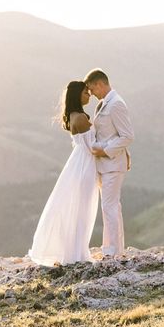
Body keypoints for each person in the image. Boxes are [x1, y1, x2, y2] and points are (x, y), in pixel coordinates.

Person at [27, 81, 98, 266]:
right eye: (85, 92)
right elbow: (94, 147)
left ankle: (75, 250)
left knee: (77, 206)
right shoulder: (81, 118)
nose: (88, 95)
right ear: (77, 95)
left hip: (78, 163)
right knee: (82, 207)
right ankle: (77, 253)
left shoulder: (73, 115)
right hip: (85, 164)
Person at [84, 69, 134, 258]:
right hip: (104, 165)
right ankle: (114, 247)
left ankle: (112, 251)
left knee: (109, 206)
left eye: (92, 89)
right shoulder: (104, 104)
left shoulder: (116, 104)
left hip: (113, 164)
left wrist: (104, 149)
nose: (91, 94)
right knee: (112, 205)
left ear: (100, 84)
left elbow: (127, 136)